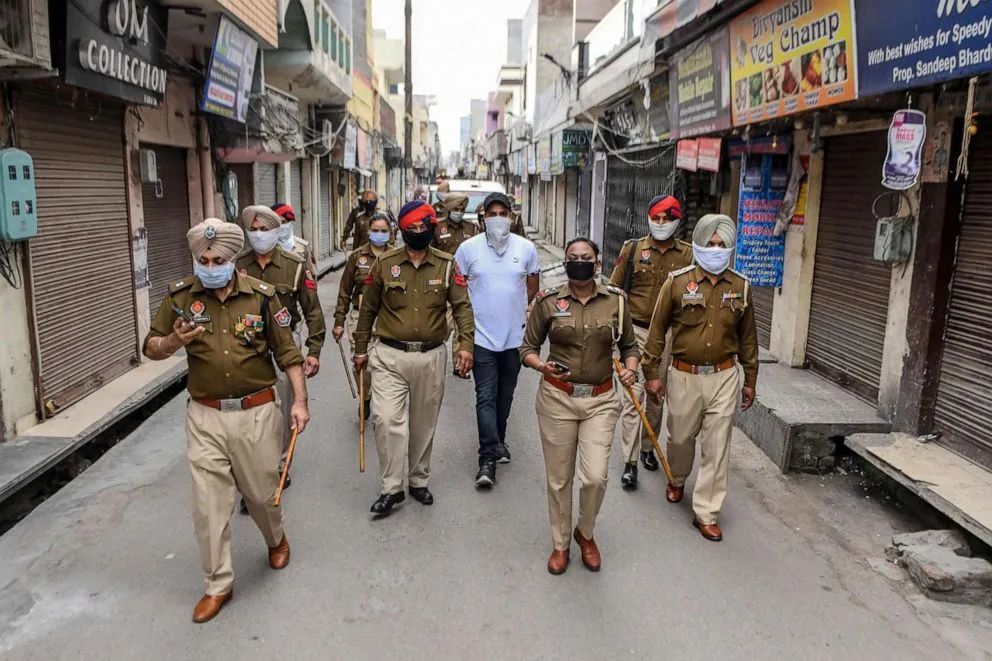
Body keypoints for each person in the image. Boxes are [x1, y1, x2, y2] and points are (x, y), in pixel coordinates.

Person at [143, 218, 310, 623]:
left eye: (218, 258)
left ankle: (275, 537)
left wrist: (300, 402)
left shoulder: (262, 297)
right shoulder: (181, 297)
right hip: (205, 415)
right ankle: (218, 583)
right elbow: (151, 346)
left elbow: (288, 354)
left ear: (234, 258)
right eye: (204, 257)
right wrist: (173, 342)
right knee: (209, 504)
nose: (210, 263)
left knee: (259, 494)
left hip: (255, 412)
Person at [520, 238, 639, 575]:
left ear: (597, 263)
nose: (579, 263)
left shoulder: (616, 302)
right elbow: (527, 348)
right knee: (559, 479)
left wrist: (630, 368)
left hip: (601, 400)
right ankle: (560, 544)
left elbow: (630, 346)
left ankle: (585, 532)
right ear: (565, 262)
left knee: (596, 477)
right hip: (557, 398)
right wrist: (541, 366)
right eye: (573, 258)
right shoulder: (547, 301)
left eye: (586, 258)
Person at [353, 200, 475, 517]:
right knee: (386, 420)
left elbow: (462, 307)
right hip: (389, 355)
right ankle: (391, 488)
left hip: (431, 356)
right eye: (412, 228)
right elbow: (367, 309)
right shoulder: (385, 264)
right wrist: (360, 348)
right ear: (403, 230)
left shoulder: (448, 265)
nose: (418, 232)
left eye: (424, 227)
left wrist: (466, 345)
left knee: (423, 424)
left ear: (432, 228)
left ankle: (418, 480)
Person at [642, 214, 759, 543]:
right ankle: (677, 477)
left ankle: (706, 512)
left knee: (717, 445)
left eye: (723, 245)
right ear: (698, 244)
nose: (717, 250)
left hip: (724, 375)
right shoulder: (677, 283)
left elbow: (749, 338)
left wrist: (750, 378)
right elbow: (656, 331)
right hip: (683, 375)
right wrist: (652, 373)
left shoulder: (741, 286)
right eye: (711, 244)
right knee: (680, 438)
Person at [236, 206, 325, 495]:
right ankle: (253, 468)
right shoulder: (238, 265)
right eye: (254, 230)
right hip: (246, 342)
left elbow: (312, 310)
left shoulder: (295, 265)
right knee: (250, 406)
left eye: (265, 229)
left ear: (276, 231)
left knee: (286, 402)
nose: (259, 235)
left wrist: (314, 350)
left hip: (285, 342)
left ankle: (280, 463)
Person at [454, 192, 541, 488]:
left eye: (503, 212)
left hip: (514, 339)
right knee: (485, 397)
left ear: (512, 216)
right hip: (481, 338)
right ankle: (487, 458)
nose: (498, 218)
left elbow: (532, 285)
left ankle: (498, 441)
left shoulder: (526, 249)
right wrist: (462, 338)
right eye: (492, 213)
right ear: (482, 219)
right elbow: (457, 294)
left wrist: (515, 312)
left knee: (506, 396)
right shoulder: (467, 250)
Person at [608, 195, 693, 491]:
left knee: (657, 395)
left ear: (677, 221)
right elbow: (615, 290)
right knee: (634, 395)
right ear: (648, 219)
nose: (660, 224)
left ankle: (647, 446)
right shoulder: (632, 249)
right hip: (636, 332)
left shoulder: (688, 255)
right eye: (655, 218)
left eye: (666, 219)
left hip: (669, 335)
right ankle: (630, 462)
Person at [332, 213, 394, 418]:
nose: (379, 234)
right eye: (375, 230)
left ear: (390, 233)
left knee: (385, 363)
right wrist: (339, 321)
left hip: (387, 318)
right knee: (362, 362)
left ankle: (382, 400)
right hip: (359, 319)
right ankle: (364, 397)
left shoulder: (395, 257)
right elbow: (344, 291)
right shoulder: (357, 257)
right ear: (368, 231)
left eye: (383, 231)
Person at [271, 202, 317, 275]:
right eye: (278, 222)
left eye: (284, 222)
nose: (282, 226)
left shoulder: (303, 247)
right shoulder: (267, 247)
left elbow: (311, 275)